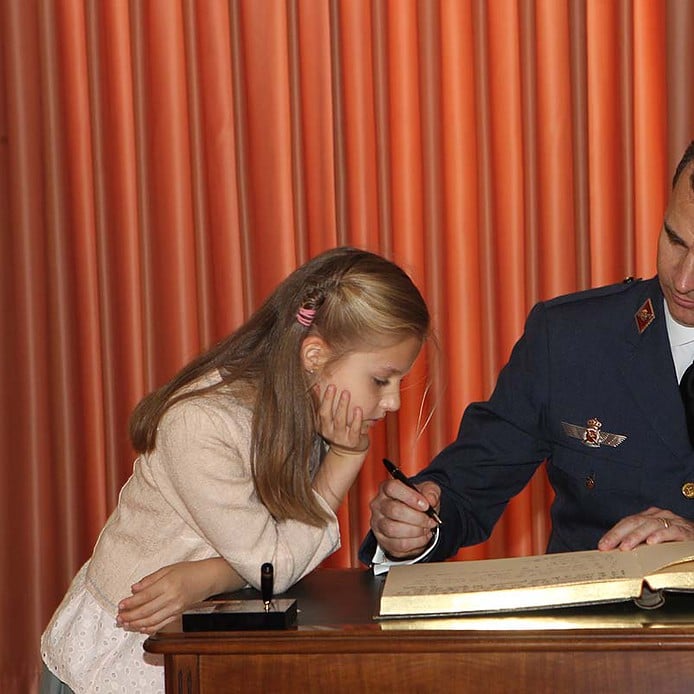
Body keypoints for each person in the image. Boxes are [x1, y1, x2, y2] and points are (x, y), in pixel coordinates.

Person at [40, 246, 429, 693]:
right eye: (382, 380)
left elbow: (277, 553)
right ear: (315, 355)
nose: (394, 401)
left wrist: (213, 575)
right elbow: (274, 562)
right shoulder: (203, 423)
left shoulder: (302, 411)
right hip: (116, 662)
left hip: (199, 645)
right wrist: (344, 459)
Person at [361, 143, 694, 571]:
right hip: (596, 629)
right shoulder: (572, 338)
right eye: (674, 240)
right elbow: (466, 486)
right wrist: (410, 525)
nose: (683, 278)